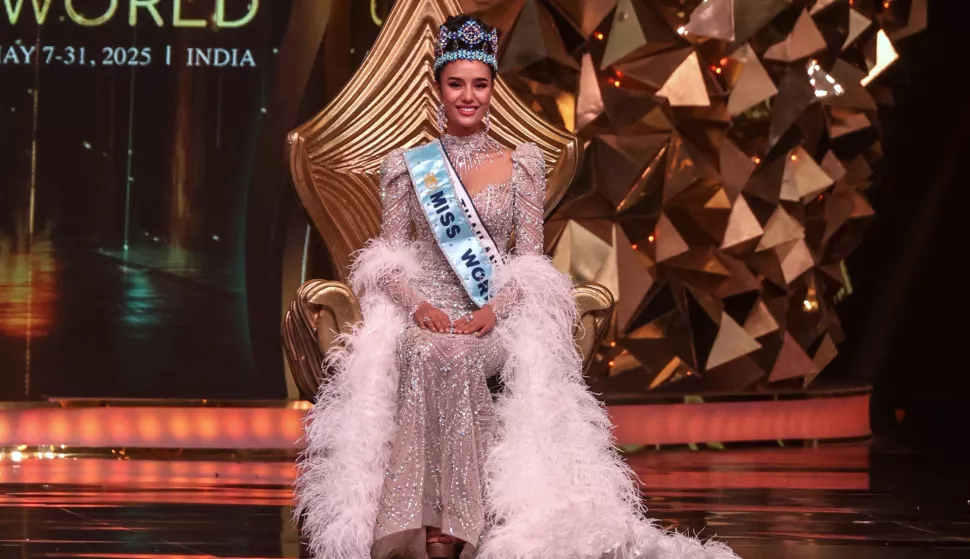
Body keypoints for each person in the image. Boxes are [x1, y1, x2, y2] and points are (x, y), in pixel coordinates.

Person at [294, 14, 740, 559]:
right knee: (434, 350)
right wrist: (419, 307)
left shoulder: (520, 164)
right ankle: (426, 522)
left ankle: (459, 523)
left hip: (491, 319)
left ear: (492, 88)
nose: (468, 96)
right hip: (426, 317)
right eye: (456, 84)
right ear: (438, 87)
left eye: (479, 84)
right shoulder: (410, 167)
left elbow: (530, 263)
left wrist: (493, 311)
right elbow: (386, 262)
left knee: (457, 354)